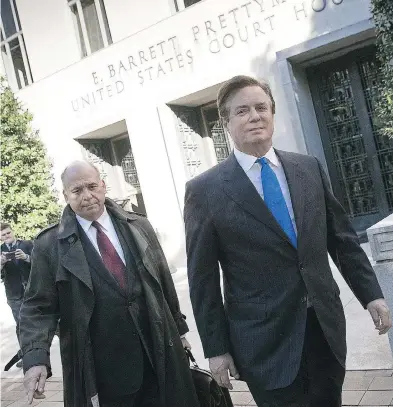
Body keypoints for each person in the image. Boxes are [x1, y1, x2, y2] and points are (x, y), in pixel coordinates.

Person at [183, 75, 392, 407]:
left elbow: (342, 240)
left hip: (324, 329)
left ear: (272, 114)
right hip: (263, 343)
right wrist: (217, 349)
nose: (254, 116)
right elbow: (202, 280)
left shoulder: (307, 168)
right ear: (226, 122)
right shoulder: (204, 191)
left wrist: (372, 296)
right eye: (242, 111)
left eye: (261, 107)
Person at [19, 161, 200, 407]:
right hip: (101, 371)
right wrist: (35, 358)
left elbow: (163, 282)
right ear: (65, 195)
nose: (87, 195)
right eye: (77, 190)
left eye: (92, 186)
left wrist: (179, 331)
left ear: (103, 186)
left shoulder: (139, 226)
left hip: (158, 354)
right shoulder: (50, 245)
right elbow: (38, 307)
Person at [1, 222, 33, 368]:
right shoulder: (0, 251)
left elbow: (41, 264)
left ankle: (41, 355)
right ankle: (27, 357)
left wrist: (26, 257)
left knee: (43, 322)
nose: (7, 236)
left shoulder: (26, 244)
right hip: (14, 294)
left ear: (12, 232)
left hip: (32, 290)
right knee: (21, 325)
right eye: (3, 234)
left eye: (8, 232)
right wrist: (1, 263)